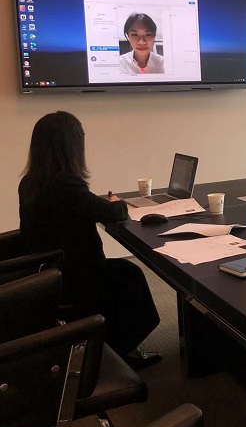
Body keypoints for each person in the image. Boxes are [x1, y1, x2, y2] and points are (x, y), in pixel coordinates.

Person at [18, 111, 161, 367]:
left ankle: (113, 346)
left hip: (47, 271)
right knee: (130, 277)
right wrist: (117, 202)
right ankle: (115, 353)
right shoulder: (66, 185)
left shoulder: (31, 182)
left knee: (126, 272)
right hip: (75, 276)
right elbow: (113, 212)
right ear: (70, 147)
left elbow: (85, 207)